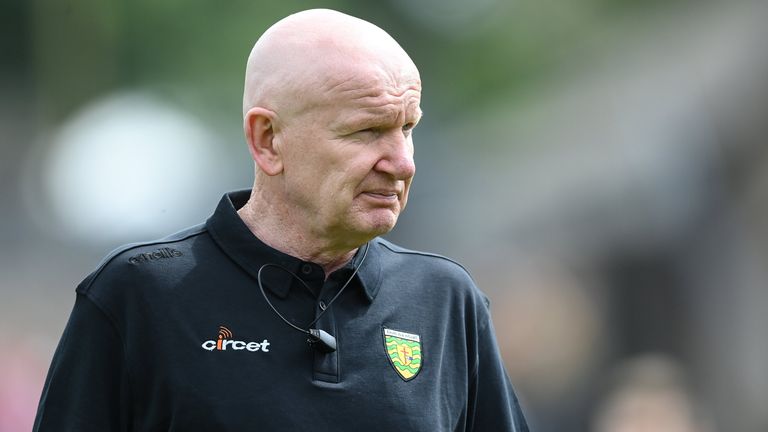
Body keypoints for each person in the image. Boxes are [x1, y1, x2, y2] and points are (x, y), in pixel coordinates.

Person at [34, 9, 529, 431]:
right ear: (268, 139)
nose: (401, 163)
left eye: (407, 128)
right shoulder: (138, 293)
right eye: (366, 131)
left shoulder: (444, 299)